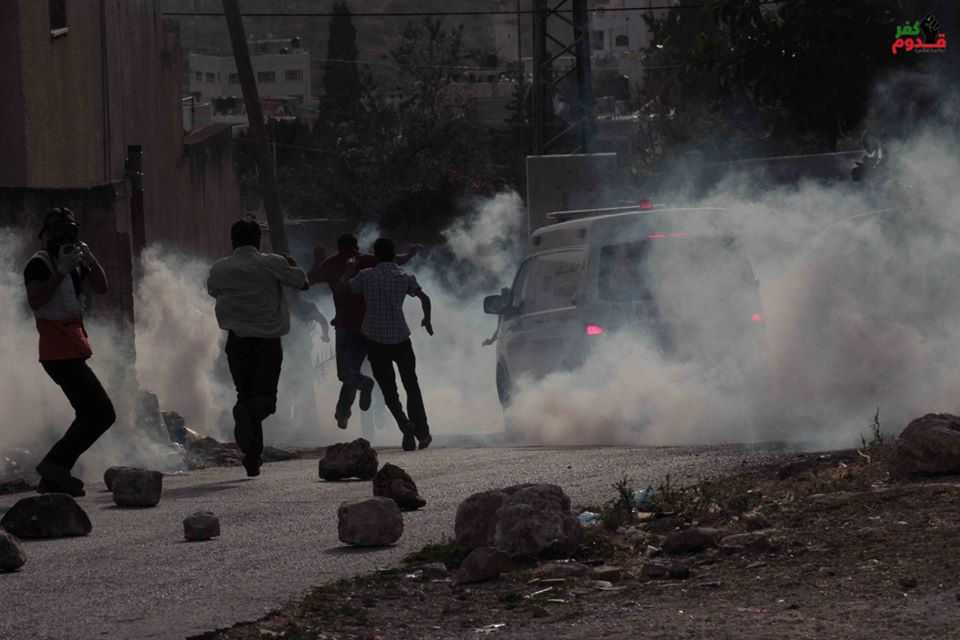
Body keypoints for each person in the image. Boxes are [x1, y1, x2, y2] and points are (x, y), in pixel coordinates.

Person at [207, 217, 309, 477]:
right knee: (265, 402)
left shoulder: (220, 268)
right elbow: (302, 283)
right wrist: (291, 265)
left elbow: (213, 291)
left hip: (237, 342)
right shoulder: (271, 262)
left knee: (247, 396)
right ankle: (251, 448)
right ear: (257, 240)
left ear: (233, 241)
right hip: (266, 342)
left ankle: (253, 458)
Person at [25, 207, 115, 497]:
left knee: (88, 413)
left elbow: (102, 287)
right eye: (60, 230)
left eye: (70, 230)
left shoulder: (74, 260)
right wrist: (60, 271)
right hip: (56, 349)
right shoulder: (39, 263)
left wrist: (89, 258)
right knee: (102, 413)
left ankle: (52, 480)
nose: (66, 236)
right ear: (48, 234)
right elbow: (36, 301)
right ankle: (54, 464)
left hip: (71, 346)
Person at [309, 234, 421, 430]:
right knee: (380, 374)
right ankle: (378, 413)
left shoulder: (331, 263)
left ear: (338, 247)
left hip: (346, 326)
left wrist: (318, 259)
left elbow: (307, 281)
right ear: (356, 247)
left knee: (349, 372)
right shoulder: (368, 260)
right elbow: (393, 261)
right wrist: (410, 254)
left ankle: (344, 412)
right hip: (372, 329)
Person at [340, 237, 433, 451]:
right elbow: (424, 298)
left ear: (375, 255)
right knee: (412, 385)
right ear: (393, 255)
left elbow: (345, 290)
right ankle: (423, 431)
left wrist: (347, 271)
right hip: (401, 338)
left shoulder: (366, 276)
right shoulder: (404, 276)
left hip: (375, 340)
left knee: (388, 390)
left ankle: (404, 424)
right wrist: (427, 319)